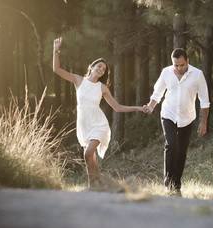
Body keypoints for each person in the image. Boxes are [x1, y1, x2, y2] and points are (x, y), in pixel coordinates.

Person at [53, 37, 146, 189]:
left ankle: (92, 187)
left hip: (98, 123)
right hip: (83, 124)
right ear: (92, 66)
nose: (101, 69)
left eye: (103, 69)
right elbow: (57, 70)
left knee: (88, 153)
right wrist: (55, 49)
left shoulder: (102, 88)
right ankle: (102, 183)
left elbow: (117, 107)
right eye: (99, 66)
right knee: (91, 157)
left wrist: (138, 108)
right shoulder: (78, 80)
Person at [143, 48, 210, 196]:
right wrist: (151, 106)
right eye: (176, 65)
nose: (179, 68)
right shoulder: (166, 72)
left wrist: (203, 122)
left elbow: (204, 101)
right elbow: (158, 92)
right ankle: (168, 183)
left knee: (181, 152)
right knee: (171, 144)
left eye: (181, 65)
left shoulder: (197, 75)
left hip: (187, 117)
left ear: (187, 61)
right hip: (168, 114)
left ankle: (176, 185)